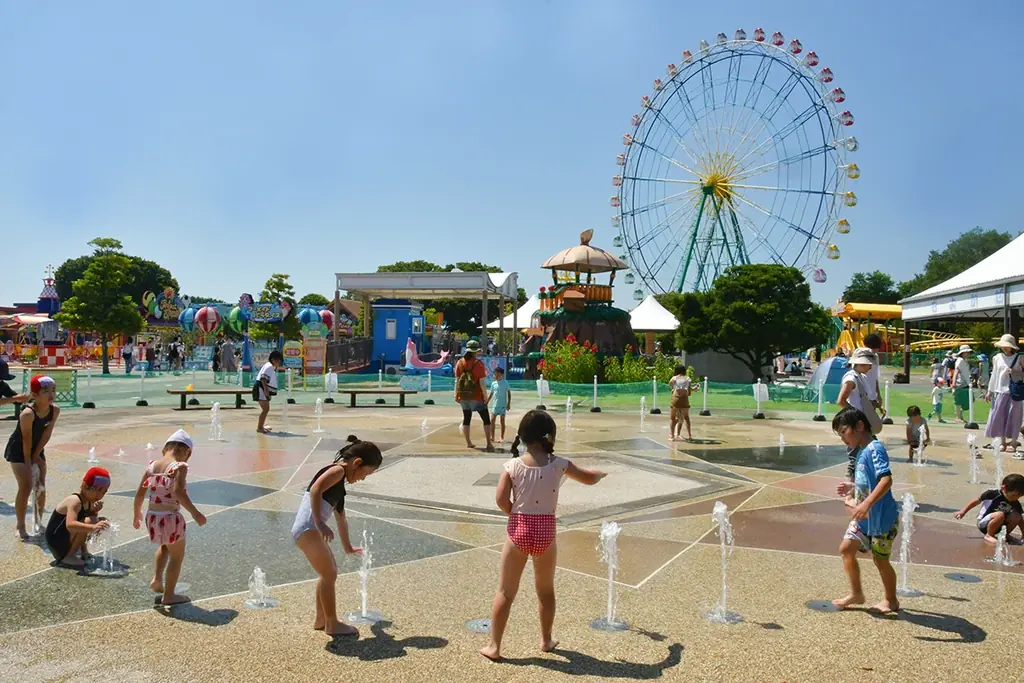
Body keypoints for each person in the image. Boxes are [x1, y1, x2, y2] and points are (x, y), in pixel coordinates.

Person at [480, 410, 607, 661]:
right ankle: (546, 640)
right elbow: (588, 478)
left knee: (505, 592)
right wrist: (600, 474)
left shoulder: (512, 466)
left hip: (519, 531)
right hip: (545, 533)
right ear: (549, 436)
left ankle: (494, 647)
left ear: (523, 436)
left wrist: (515, 515)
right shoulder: (558, 464)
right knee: (546, 591)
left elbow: (500, 499)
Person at [291, 435, 382, 636]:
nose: (363, 479)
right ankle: (332, 624)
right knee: (329, 574)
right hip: (309, 529)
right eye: (366, 473)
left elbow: (341, 519)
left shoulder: (339, 487)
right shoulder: (337, 471)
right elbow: (315, 490)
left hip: (307, 530)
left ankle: (321, 619)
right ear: (357, 463)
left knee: (327, 574)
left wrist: (347, 547)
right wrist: (319, 522)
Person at [831, 408, 900, 615]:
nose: (843, 438)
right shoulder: (861, 450)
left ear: (860, 426)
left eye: (844, 432)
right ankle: (856, 594)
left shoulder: (875, 448)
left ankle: (891, 600)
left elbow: (886, 480)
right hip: (864, 519)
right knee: (846, 549)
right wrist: (853, 488)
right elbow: (868, 482)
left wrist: (866, 504)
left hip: (882, 519)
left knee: (880, 560)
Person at [133, 430, 207, 606]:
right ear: (187, 452)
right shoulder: (179, 467)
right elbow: (178, 492)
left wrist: (137, 514)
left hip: (152, 517)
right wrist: (195, 513)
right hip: (170, 518)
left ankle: (157, 579)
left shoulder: (152, 466)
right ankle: (169, 596)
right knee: (177, 556)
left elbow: (139, 493)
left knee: (165, 546)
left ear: (164, 449)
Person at [5, 376, 59, 540]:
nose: (51, 394)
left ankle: (38, 522)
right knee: (26, 485)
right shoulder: (28, 414)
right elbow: (26, 438)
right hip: (19, 449)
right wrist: (29, 460)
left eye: (53, 390)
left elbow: (46, 434)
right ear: (34, 395)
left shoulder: (54, 410)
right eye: (45, 391)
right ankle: (20, 526)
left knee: (40, 486)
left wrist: (37, 455)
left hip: (37, 449)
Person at [45, 467, 111, 567]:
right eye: (98, 491)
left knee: (99, 521)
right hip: (56, 541)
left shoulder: (88, 501)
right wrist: (93, 527)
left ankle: (84, 551)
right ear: (85, 486)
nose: (100, 495)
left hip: (66, 538)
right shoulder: (75, 501)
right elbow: (70, 525)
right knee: (90, 523)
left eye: (104, 492)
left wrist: (94, 511)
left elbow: (87, 519)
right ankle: (69, 557)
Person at [836, 349, 882, 480]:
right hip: (855, 424)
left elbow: (862, 399)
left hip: (861, 423)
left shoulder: (860, 377)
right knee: (856, 457)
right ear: (860, 363)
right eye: (868, 364)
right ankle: (852, 486)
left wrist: (875, 405)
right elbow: (841, 401)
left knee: (869, 452)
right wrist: (855, 415)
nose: (870, 367)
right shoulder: (851, 378)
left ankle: (862, 484)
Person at [954, 473, 1024, 544]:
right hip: (984, 524)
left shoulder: (1015, 502)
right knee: (1000, 515)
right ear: (1004, 488)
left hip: (1000, 524)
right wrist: (963, 512)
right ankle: (989, 535)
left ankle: (1005, 535)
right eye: (1014, 495)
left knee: (1017, 516)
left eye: (1019, 496)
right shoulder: (992, 494)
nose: (1016, 498)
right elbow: (976, 502)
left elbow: (1020, 520)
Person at [984, 334, 1023, 453]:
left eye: (1007, 346)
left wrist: (1014, 372)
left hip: (1015, 392)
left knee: (1015, 417)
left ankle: (1013, 442)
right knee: (1000, 417)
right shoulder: (997, 358)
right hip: (1000, 391)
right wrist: (990, 391)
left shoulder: (1020, 358)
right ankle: (1002, 442)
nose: (1004, 348)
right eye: (1003, 346)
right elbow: (994, 375)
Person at [454, 340, 493, 451]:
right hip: (476, 396)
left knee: (466, 419)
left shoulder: (460, 363)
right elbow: (482, 383)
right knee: (486, 420)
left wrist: (456, 394)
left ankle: (469, 442)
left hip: (463, 396)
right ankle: (489, 443)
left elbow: (457, 380)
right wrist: (485, 397)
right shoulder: (478, 364)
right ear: (476, 351)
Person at [254, 350, 283, 434]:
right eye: (278, 360)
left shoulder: (269, 366)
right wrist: (266, 392)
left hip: (261, 388)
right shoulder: (269, 366)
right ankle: (259, 427)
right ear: (273, 359)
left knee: (266, 409)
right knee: (265, 409)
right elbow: (263, 379)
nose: (279, 362)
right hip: (261, 388)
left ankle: (261, 426)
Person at [669, 365, 696, 442]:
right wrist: (694, 388)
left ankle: (672, 436)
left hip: (676, 398)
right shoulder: (688, 378)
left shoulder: (674, 378)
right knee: (686, 417)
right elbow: (689, 391)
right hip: (684, 399)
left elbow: (671, 386)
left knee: (672, 418)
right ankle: (690, 436)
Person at [487, 367, 512, 443]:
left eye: (498, 374)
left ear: (502, 375)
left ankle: (502, 437)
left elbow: (509, 393)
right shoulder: (493, 383)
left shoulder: (505, 383)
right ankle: (492, 437)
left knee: (502, 421)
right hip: (495, 405)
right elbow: (491, 394)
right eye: (495, 374)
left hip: (502, 405)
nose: (496, 375)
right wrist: (487, 401)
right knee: (492, 420)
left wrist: (508, 404)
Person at [951, 344, 973, 422]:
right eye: (966, 352)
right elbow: (956, 371)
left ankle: (960, 415)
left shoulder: (965, 361)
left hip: (966, 383)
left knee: (969, 400)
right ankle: (958, 417)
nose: (968, 353)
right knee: (958, 401)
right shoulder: (960, 360)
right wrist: (954, 382)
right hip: (960, 383)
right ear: (962, 353)